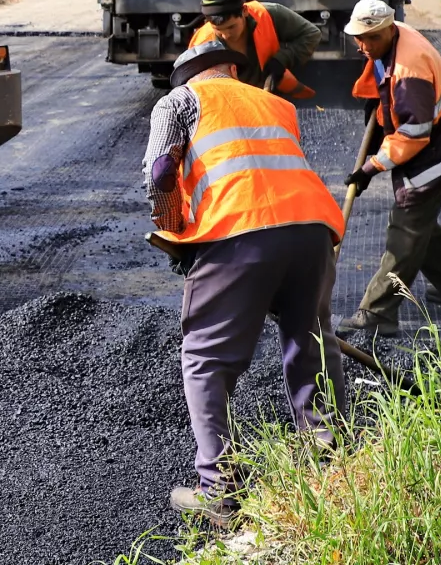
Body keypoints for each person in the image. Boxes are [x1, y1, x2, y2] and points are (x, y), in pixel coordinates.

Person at [144, 42, 348, 524]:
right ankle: (331, 465)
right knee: (311, 340)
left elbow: (160, 173)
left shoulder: (180, 101)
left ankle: (218, 490)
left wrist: (174, 229)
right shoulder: (274, 103)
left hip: (237, 235)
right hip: (311, 231)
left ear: (187, 76)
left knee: (206, 359)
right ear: (232, 70)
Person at [336, 0, 441, 337]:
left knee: (406, 227)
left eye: (372, 38)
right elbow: (386, 87)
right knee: (421, 226)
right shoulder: (393, 38)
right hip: (429, 139)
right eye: (359, 38)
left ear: (389, 29)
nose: (365, 46)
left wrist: (371, 168)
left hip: (433, 152)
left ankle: (377, 312)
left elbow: (414, 134)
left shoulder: (410, 71)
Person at [181, 0, 322, 99]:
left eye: (231, 27)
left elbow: (311, 34)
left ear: (244, 11)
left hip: (272, 97)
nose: (226, 35)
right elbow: (198, 93)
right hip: (230, 103)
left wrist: (282, 59)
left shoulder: (268, 14)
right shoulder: (201, 45)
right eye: (218, 30)